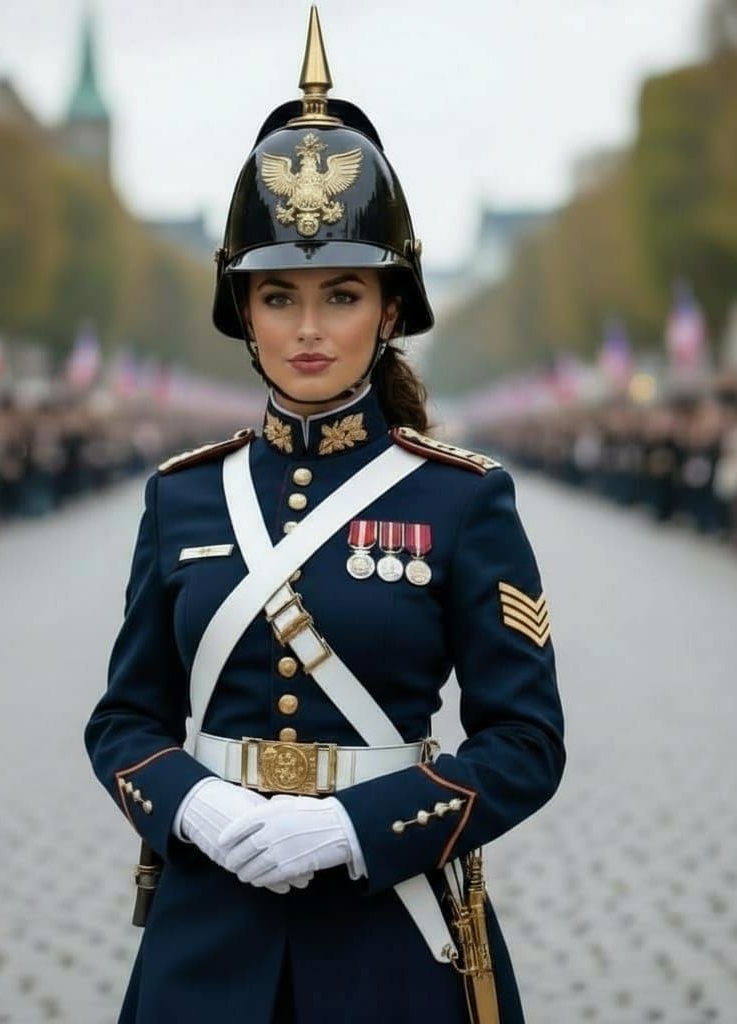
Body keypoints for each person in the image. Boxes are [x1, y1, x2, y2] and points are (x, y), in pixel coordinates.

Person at [84, 10, 565, 1022]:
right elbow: (126, 718)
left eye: (341, 293)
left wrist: (356, 828)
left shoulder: (463, 499)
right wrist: (193, 803)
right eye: (277, 297)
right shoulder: (182, 495)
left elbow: (523, 741)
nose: (308, 328)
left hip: (389, 930)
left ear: (390, 310)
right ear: (241, 313)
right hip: (206, 926)